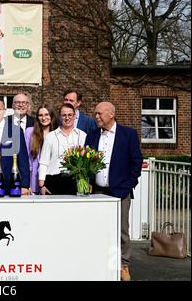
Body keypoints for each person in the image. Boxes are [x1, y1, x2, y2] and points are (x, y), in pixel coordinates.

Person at [85, 101, 142, 281]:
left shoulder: (128, 134)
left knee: (122, 231)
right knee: (98, 229)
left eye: (99, 113)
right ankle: (100, 264)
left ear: (111, 114)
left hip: (120, 191)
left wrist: (128, 184)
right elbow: (87, 163)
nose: (96, 117)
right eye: (95, 114)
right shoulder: (92, 135)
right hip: (97, 192)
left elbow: (136, 162)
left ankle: (123, 265)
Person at [38, 103, 86, 195]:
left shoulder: (83, 136)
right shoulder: (50, 136)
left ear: (75, 116)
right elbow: (43, 162)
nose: (67, 118)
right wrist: (41, 185)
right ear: (60, 117)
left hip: (75, 182)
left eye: (70, 115)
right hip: (52, 182)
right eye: (64, 115)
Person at [24, 105, 58, 195]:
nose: (44, 118)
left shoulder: (57, 133)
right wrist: (26, 184)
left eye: (46, 115)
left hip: (52, 181)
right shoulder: (29, 132)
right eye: (40, 115)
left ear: (52, 116)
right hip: (33, 182)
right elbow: (25, 160)